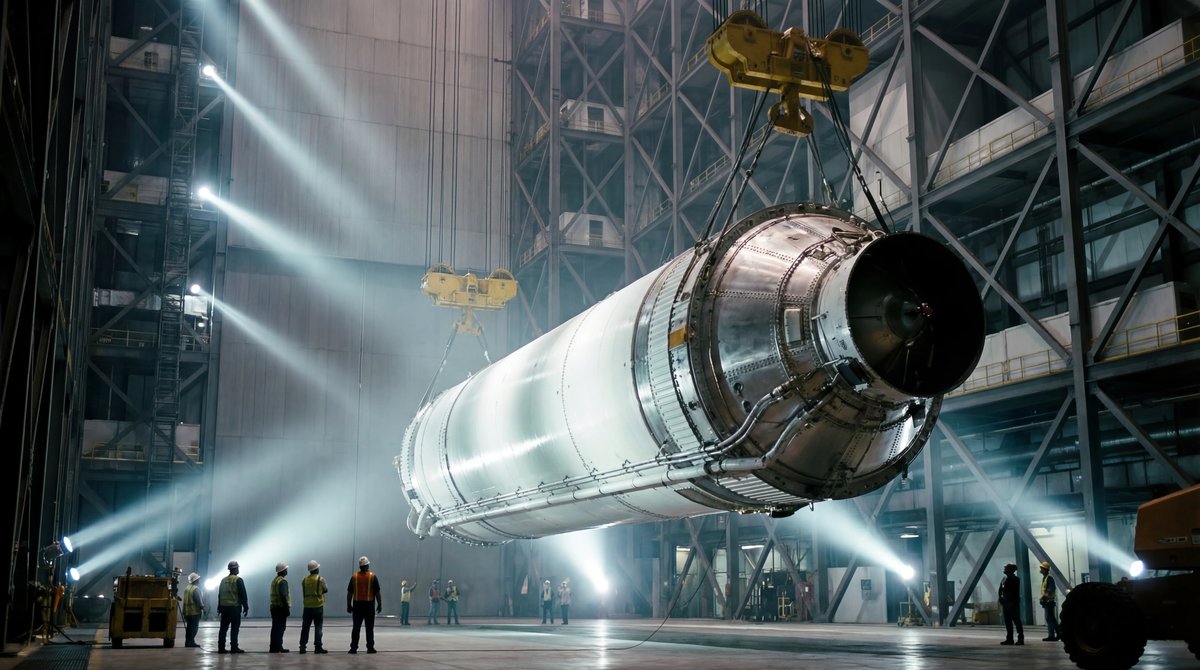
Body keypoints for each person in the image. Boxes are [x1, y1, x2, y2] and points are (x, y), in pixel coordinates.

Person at [346, 556, 382, 654]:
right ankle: (370, 648)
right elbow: (377, 592)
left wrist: (349, 605)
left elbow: (350, 593)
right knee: (369, 628)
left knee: (356, 627)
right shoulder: (372, 576)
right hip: (369, 605)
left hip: (357, 605)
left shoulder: (354, 576)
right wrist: (379, 604)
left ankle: (353, 648)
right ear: (367, 565)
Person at [217, 560, 249, 654]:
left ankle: (221, 648)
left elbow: (220, 595)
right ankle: (234, 647)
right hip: (234, 608)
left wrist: (219, 607)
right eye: (238, 568)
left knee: (223, 629)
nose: (238, 569)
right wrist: (246, 607)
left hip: (224, 608)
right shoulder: (238, 580)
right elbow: (243, 594)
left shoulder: (223, 580)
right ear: (235, 569)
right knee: (234, 629)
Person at [299, 560, 328, 654]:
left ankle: (302, 647)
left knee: (305, 627)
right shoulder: (320, 579)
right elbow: (325, 590)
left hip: (307, 607)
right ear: (316, 569)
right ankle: (318, 647)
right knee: (318, 627)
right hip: (318, 606)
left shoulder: (304, 580)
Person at [998, 562, 1024, 645]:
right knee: (1007, 622)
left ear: (1010, 570)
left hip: (1013, 604)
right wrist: (1000, 598)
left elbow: (1013, 592)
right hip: (1006, 603)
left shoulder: (1015, 579)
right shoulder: (1004, 579)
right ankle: (1009, 639)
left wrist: (1011, 601)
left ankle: (1020, 639)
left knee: (1017, 621)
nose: (1004, 569)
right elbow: (1001, 590)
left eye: (1006, 568)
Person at [269, 562, 291, 653]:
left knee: (275, 628)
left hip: (274, 607)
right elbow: (284, 595)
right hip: (280, 608)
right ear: (283, 571)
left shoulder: (274, 581)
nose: (287, 570)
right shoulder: (282, 581)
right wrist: (286, 607)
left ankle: (273, 647)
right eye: (286, 569)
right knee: (280, 628)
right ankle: (278, 647)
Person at [181, 572, 206, 648]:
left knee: (189, 628)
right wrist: (203, 608)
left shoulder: (187, 588)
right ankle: (191, 642)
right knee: (193, 628)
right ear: (195, 580)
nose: (199, 580)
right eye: (198, 579)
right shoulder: (196, 589)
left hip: (187, 612)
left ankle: (188, 642)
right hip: (194, 612)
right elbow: (199, 601)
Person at [1039, 561, 1059, 642]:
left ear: (1045, 569)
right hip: (1047, 601)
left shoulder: (1049, 578)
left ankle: (1051, 636)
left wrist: (1043, 597)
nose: (1040, 570)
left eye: (1041, 568)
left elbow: (1050, 589)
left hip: (1049, 602)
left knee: (1049, 619)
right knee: (1052, 619)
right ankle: (1059, 634)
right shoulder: (1045, 578)